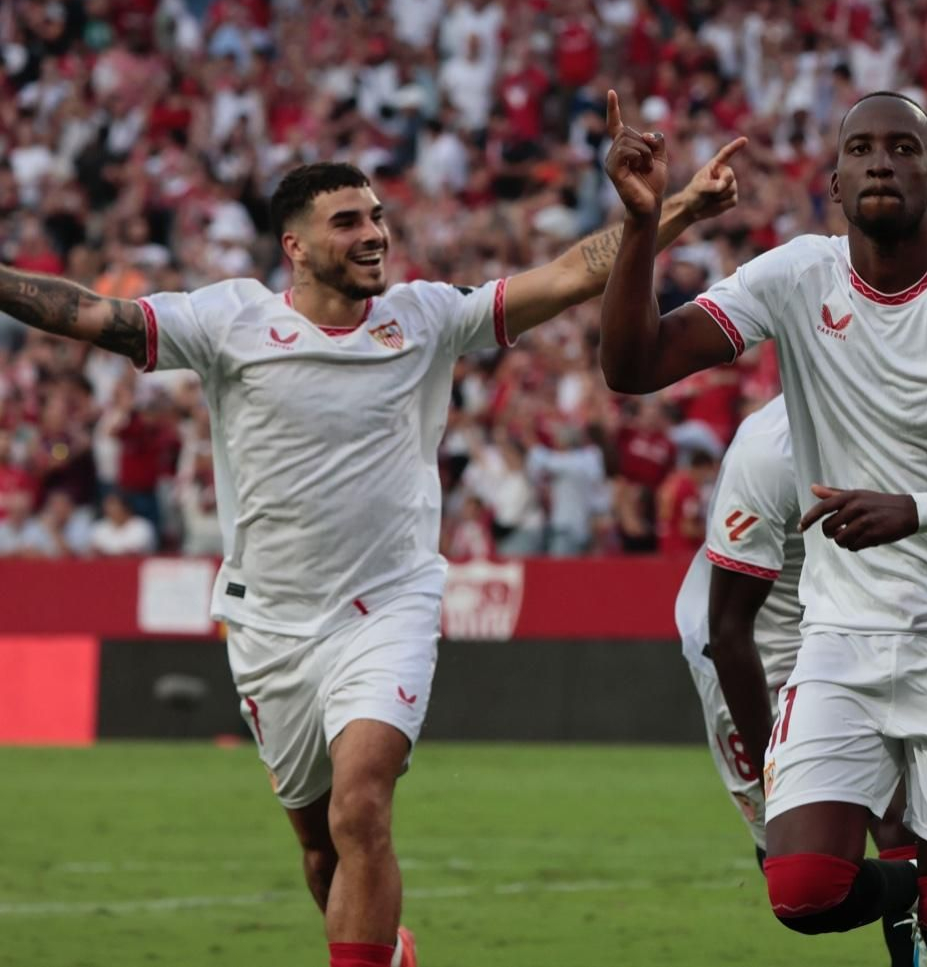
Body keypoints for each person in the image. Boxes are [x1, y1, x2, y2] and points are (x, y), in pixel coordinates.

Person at [0, 141, 746, 967]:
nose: (373, 234)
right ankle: (387, 949)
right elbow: (88, 313)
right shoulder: (228, 321)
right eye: (348, 221)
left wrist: (671, 207)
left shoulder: (425, 317)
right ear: (295, 245)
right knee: (321, 850)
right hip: (271, 624)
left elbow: (570, 275)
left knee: (361, 805)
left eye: (378, 217)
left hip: (388, 604)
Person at [599, 89, 927, 966]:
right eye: (860, 148)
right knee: (802, 889)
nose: (880, 161)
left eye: (902, 148)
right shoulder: (797, 276)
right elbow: (634, 364)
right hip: (839, 636)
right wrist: (642, 226)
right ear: (832, 183)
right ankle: (904, 889)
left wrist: (918, 510)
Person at [674, 394, 918, 967]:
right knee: (795, 880)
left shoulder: (910, 405)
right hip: (751, 656)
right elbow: (728, 629)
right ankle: (918, 883)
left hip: (846, 633)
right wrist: (778, 773)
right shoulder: (769, 449)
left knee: (899, 820)